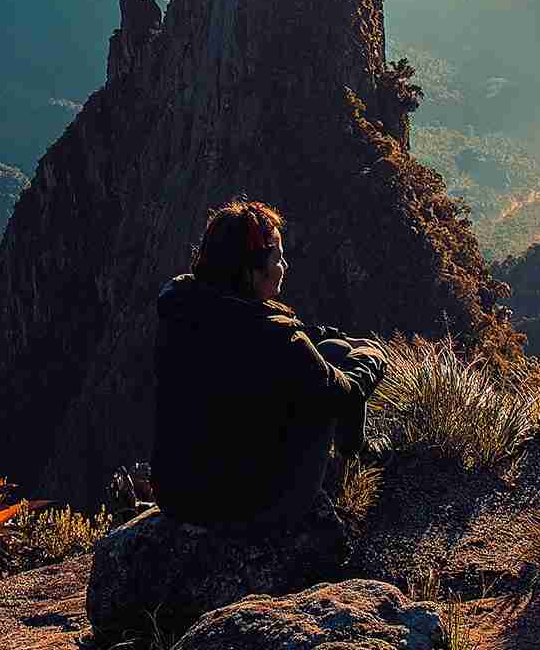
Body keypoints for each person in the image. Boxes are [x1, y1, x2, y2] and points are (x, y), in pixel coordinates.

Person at [150, 199, 387, 533]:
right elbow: (343, 394)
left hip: (177, 495)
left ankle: (353, 452)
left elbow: (258, 336)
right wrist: (372, 357)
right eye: (277, 258)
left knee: (330, 349)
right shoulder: (274, 338)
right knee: (339, 366)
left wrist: (317, 338)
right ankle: (353, 457)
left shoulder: (181, 307)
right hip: (252, 506)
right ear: (250, 271)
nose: (285, 265)